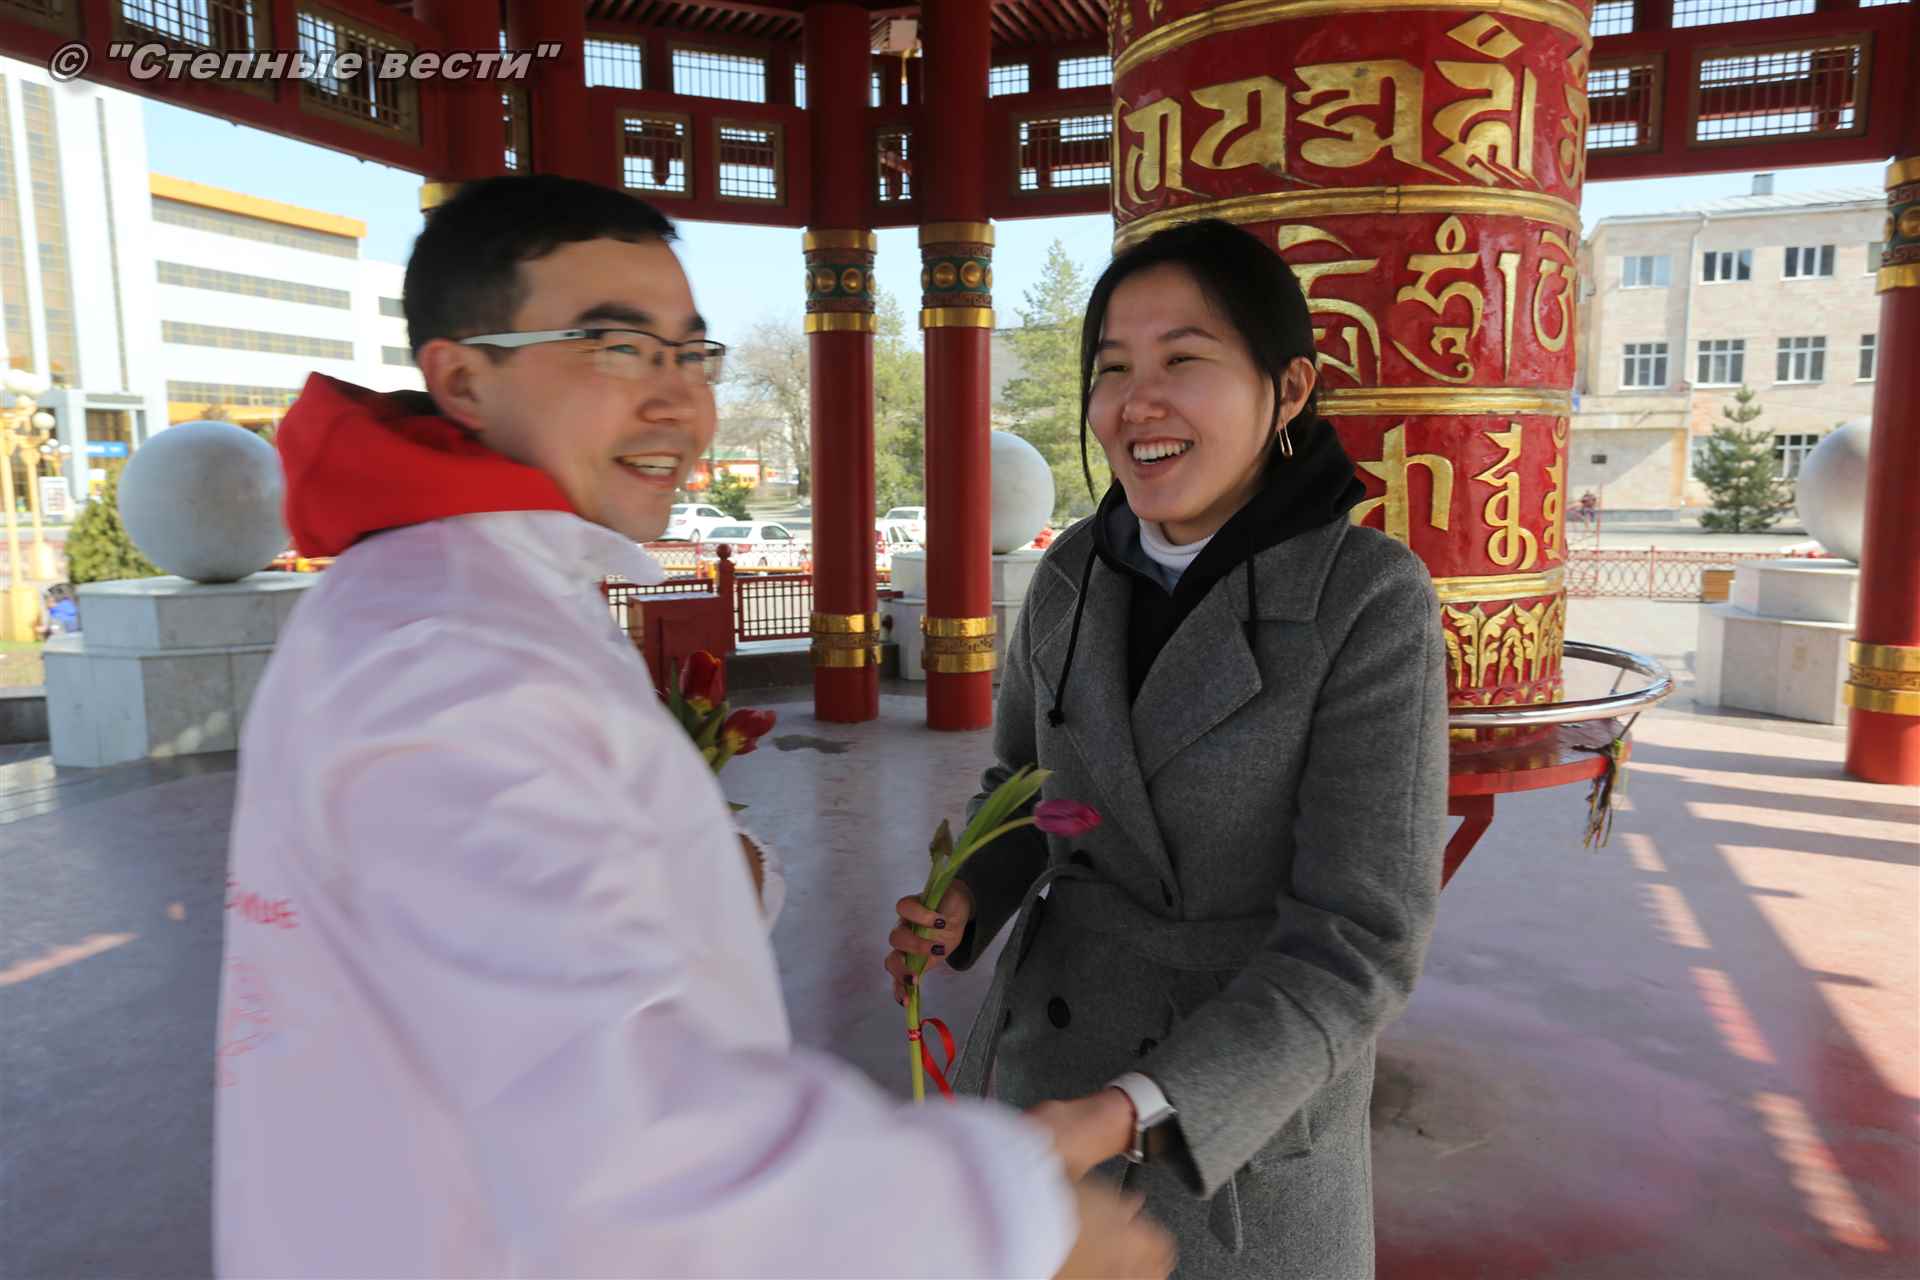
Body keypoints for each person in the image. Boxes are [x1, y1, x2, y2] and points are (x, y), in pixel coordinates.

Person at [215, 174, 1173, 1280]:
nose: (678, 400)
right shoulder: (453, 659)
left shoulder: (468, 598)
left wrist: (693, 860)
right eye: (616, 347)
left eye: (691, 353)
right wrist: (1007, 1220)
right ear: (463, 376)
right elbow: (617, 1149)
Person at [885, 219, 1449, 1279]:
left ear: (1288, 390)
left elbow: (1360, 941)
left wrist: (1126, 1110)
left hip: (1234, 1115)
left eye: (1183, 361)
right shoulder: (1070, 576)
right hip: (1053, 1065)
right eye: (1112, 369)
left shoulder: (1366, 601)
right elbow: (1038, 792)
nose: (1136, 403)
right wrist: (970, 893)